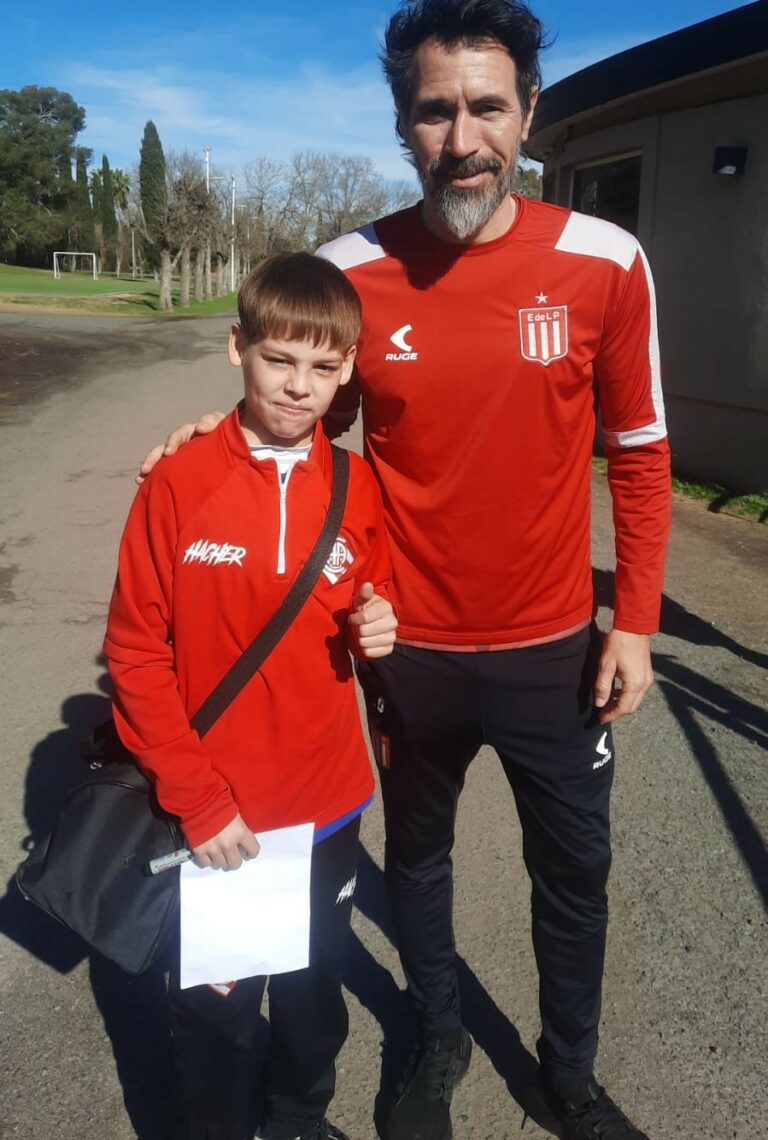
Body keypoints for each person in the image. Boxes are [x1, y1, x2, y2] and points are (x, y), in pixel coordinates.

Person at [139, 3, 671, 1137]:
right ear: (401, 123)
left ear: (529, 114)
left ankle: (569, 1073)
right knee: (418, 864)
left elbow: (639, 450)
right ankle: (436, 1034)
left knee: (574, 875)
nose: (463, 139)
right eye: (435, 112)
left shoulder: (605, 262)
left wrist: (634, 621)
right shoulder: (354, 271)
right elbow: (299, 415)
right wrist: (208, 443)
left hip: (553, 651)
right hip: (405, 650)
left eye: (488, 108)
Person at [106, 252, 397, 1140]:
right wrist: (198, 801)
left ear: (346, 368)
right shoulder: (178, 481)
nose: (299, 386)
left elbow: (373, 589)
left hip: (328, 808)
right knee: (217, 1020)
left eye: (323, 366)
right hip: (220, 818)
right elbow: (135, 656)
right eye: (279, 359)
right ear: (238, 347)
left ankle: (298, 1119)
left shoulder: (356, 484)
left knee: (313, 1001)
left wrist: (378, 621)